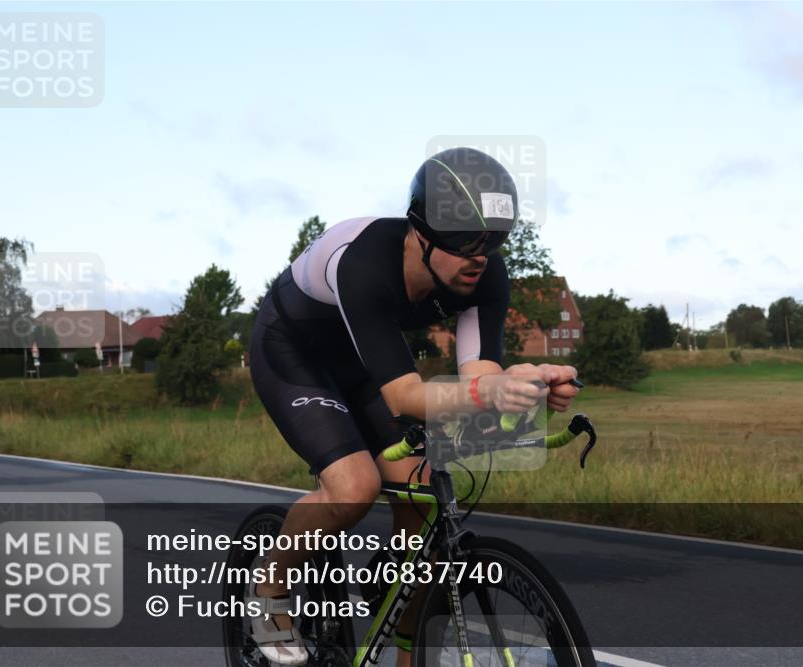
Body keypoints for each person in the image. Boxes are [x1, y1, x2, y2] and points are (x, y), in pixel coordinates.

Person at [247, 147, 580, 665]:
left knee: (421, 500)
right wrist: (487, 394)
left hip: (362, 365)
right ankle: (269, 589)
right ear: (420, 232)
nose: (480, 255)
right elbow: (405, 396)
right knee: (355, 486)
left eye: (494, 241)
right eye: (467, 240)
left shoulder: (484, 275)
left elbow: (479, 377)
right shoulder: (365, 260)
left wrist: (524, 382)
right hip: (294, 352)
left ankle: (406, 650)